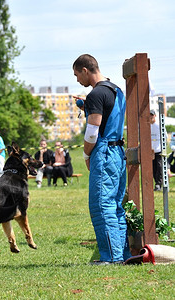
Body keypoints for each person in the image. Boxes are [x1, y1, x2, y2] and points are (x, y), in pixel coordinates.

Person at [73, 54, 131, 264]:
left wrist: (87, 154)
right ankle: (123, 254)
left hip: (104, 152)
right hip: (118, 153)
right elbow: (108, 114)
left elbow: (92, 132)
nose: (78, 80)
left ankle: (109, 257)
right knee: (116, 205)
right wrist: (86, 106)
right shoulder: (116, 90)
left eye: (77, 74)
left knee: (101, 204)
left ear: (85, 70)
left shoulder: (96, 93)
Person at [150, 110, 162, 191]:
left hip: (158, 150)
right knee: (153, 168)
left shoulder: (159, 126)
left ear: (155, 116)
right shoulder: (147, 126)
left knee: (159, 167)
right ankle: (156, 183)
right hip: (151, 151)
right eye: (150, 115)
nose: (151, 117)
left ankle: (159, 183)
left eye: (152, 115)